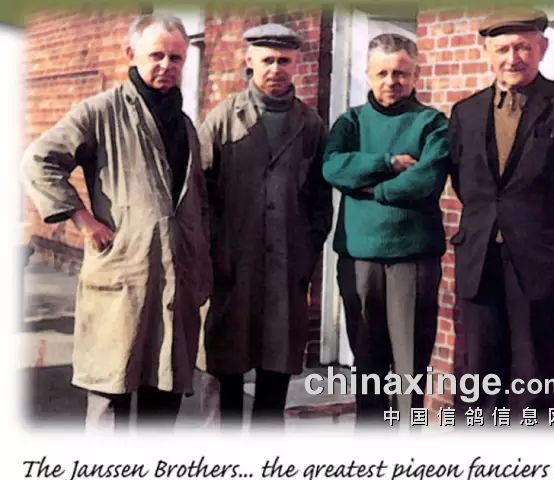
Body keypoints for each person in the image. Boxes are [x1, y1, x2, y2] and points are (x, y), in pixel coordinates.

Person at [22, 14, 211, 429]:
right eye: (156, 55)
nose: (167, 65)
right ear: (131, 54)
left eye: (176, 58)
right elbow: (39, 160)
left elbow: (196, 201)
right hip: (124, 274)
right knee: (112, 395)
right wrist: (84, 220)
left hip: (175, 282)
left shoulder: (184, 124)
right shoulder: (101, 111)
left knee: (165, 393)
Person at [448, 7, 554, 423]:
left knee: (533, 373)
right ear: (487, 52)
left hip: (541, 262)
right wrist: (493, 223)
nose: (512, 58)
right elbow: (465, 182)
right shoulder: (465, 112)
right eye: (502, 49)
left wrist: (550, 228)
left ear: (543, 48)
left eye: (522, 47)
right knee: (478, 371)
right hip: (480, 259)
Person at [197, 23, 333, 427]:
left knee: (276, 371)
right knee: (225, 370)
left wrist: (305, 253)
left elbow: (320, 201)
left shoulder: (310, 125)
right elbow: (199, 193)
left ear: (296, 63)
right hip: (230, 269)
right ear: (250, 60)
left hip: (285, 270)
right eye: (268, 60)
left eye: (284, 61)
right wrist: (213, 252)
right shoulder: (223, 119)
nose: (276, 69)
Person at [322, 33, 450, 424]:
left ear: (415, 75)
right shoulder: (351, 122)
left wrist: (369, 190)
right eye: (382, 73)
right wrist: (388, 163)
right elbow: (333, 168)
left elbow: (425, 180)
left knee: (410, 364)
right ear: (368, 74)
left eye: (400, 73)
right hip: (359, 257)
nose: (391, 81)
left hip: (413, 258)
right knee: (368, 361)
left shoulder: (432, 123)